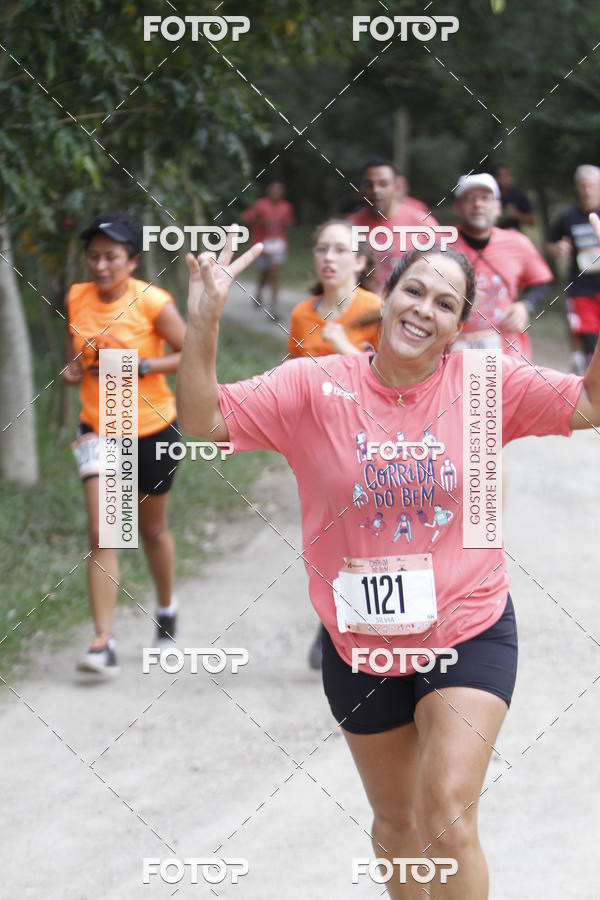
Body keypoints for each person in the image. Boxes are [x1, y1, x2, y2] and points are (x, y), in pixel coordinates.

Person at [176, 223, 599, 898]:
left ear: (458, 327)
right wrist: (203, 321)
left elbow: (591, 401)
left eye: (443, 304)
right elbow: (203, 422)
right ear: (386, 294)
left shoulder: (485, 386)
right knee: (397, 820)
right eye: (414, 291)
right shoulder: (312, 388)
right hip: (360, 645)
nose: (423, 310)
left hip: (468, 627)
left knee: (446, 813)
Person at [62, 214, 186, 675]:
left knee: (152, 531)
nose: (101, 265)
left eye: (112, 256)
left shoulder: (153, 302)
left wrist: (145, 366)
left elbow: (192, 350)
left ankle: (167, 611)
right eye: (93, 255)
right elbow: (78, 355)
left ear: (132, 260)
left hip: (154, 429)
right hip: (100, 428)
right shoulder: (77, 297)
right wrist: (73, 370)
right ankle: (102, 642)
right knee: (106, 532)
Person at [287, 219, 381, 668]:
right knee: (330, 543)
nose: (329, 258)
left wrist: (346, 347)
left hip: (372, 446)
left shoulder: (378, 310)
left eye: (340, 250)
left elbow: (393, 382)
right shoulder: (303, 314)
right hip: (319, 450)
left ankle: (352, 628)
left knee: (369, 539)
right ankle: (332, 625)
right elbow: (290, 381)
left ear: (360, 262)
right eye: (322, 248)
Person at [451, 173, 553, 357]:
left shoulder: (517, 243)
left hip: (507, 351)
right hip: (453, 352)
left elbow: (540, 279)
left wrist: (526, 306)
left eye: (485, 198)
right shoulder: (439, 248)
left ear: (498, 207)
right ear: (457, 207)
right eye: (470, 198)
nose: (478, 204)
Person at [348, 158, 438, 294]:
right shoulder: (349, 227)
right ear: (361, 189)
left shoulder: (423, 224)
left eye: (383, 184)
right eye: (369, 184)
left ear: (396, 188)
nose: (375, 190)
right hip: (362, 307)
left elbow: (442, 272)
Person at [548, 164, 600, 374]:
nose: (587, 190)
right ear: (577, 188)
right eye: (583, 185)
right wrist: (558, 248)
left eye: (592, 185)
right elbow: (551, 244)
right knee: (588, 339)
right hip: (580, 287)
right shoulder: (567, 216)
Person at [242, 181, 294, 322]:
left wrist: (286, 223)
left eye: (279, 191)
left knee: (274, 274)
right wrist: (260, 221)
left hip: (278, 244)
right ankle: (258, 293)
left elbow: (289, 221)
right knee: (264, 273)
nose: (276, 193)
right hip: (261, 244)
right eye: (274, 190)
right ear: (268, 191)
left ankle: (273, 309)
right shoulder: (260, 204)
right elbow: (246, 217)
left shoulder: (286, 206)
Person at [491, 163, 536, 231]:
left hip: (514, 234)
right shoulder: (490, 196)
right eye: (501, 176)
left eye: (507, 175)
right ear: (495, 178)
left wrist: (516, 214)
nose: (505, 179)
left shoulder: (518, 195)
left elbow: (531, 221)